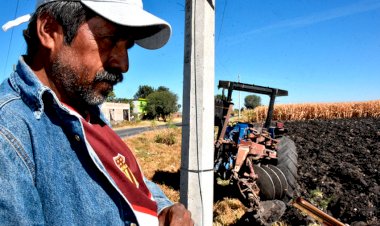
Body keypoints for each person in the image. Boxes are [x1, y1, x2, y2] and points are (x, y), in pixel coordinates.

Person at [0, 0, 193, 225]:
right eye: (110, 40)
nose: (123, 64)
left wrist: (163, 209)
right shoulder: (9, 133)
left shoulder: (88, 111)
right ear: (50, 30)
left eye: (127, 46)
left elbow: (129, 184)